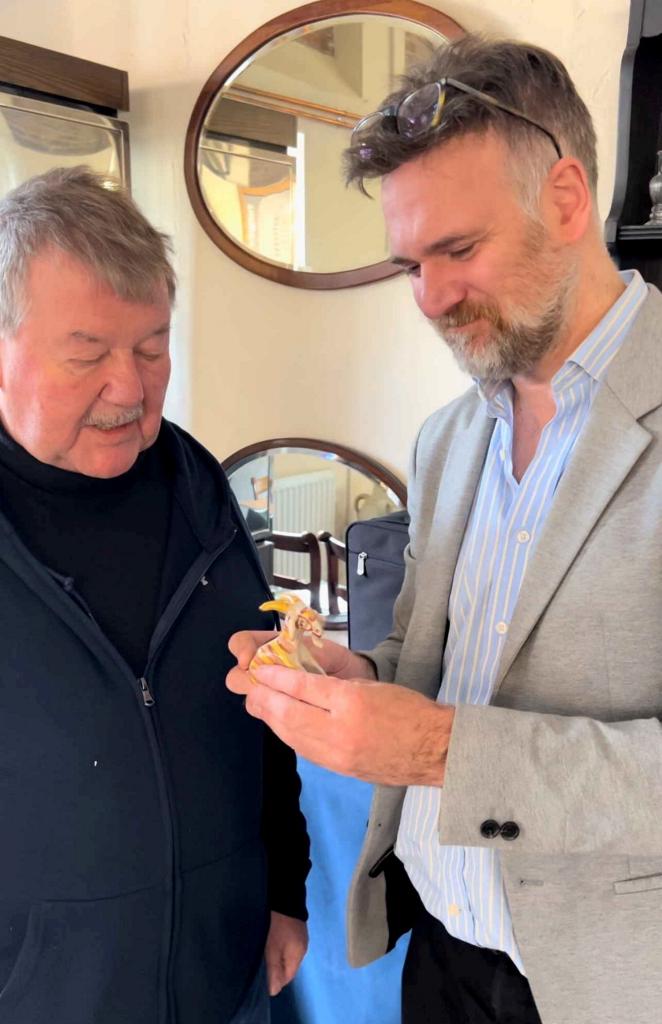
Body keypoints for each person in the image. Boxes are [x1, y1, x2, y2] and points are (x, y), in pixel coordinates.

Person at [227, 33, 662, 1024]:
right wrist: (361, 685)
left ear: (562, 198)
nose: (428, 298)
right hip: (440, 964)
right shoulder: (448, 437)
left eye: (457, 250)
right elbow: (440, 659)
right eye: (408, 262)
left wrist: (432, 751)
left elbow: (451, 740)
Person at [0, 165, 309, 1024]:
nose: (130, 388)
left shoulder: (203, 491)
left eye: (151, 346)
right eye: (87, 353)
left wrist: (284, 889)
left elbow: (264, 706)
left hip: (229, 974)